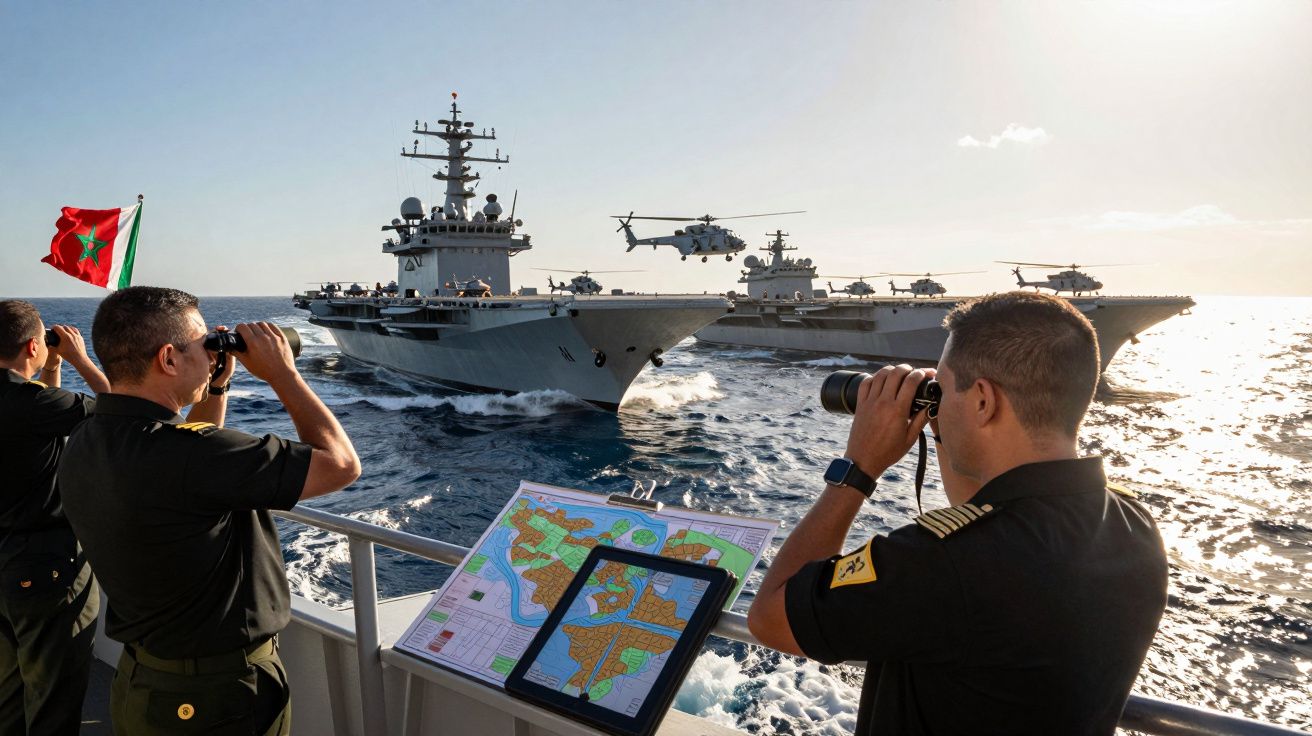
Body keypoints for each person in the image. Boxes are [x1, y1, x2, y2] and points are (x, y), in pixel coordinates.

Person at [748, 291, 1168, 735]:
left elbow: (770, 617)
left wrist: (859, 467)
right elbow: (985, 514)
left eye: (945, 392)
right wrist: (949, 418)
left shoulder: (941, 563)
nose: (939, 403)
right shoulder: (1134, 525)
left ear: (984, 400)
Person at [58, 287, 361, 736]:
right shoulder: (194, 459)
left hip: (146, 682)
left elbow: (191, 451)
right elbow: (341, 466)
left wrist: (216, 383)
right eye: (203, 344)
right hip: (218, 699)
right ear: (168, 359)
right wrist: (282, 375)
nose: (210, 351)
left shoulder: (86, 439)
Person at [0, 300, 111, 736]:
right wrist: (80, 357)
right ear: (33, 345)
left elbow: (43, 418)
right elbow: (122, 412)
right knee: (53, 697)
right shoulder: (32, 404)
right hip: (45, 566)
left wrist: (50, 369)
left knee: (9, 694)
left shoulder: (30, 403)